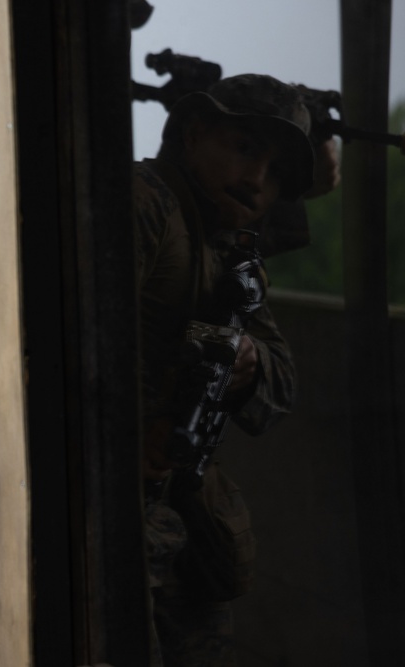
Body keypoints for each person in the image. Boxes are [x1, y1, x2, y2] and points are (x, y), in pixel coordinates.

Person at [134, 74, 316, 666]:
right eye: (245, 149)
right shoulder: (148, 203)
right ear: (193, 135)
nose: (259, 180)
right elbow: (60, 339)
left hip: (176, 523)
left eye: (278, 172)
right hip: (110, 511)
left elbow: (281, 384)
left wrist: (249, 363)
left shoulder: (232, 252)